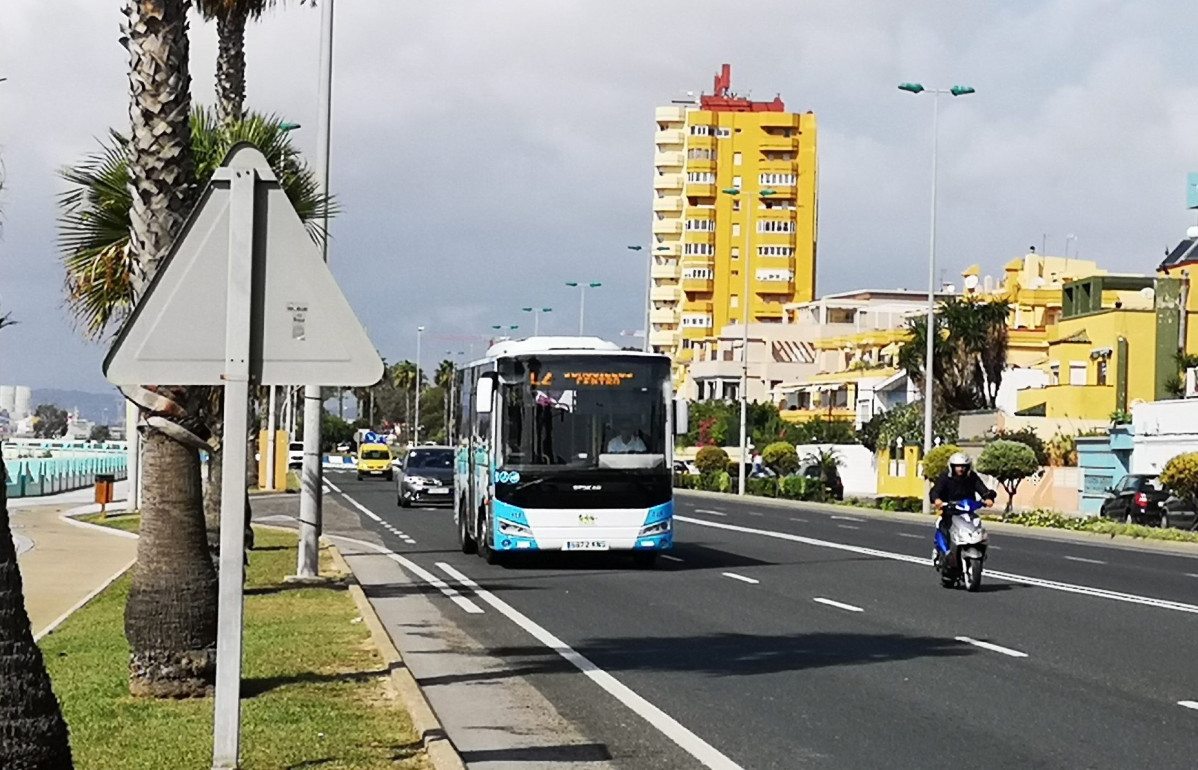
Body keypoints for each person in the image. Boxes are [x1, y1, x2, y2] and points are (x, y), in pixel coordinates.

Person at [929, 452, 996, 564]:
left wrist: (988, 497)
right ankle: (944, 553)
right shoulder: (945, 477)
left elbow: (982, 489)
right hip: (950, 512)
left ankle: (980, 550)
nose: (960, 469)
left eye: (963, 466)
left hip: (967, 512)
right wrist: (937, 499)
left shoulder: (972, 477)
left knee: (979, 529)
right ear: (952, 466)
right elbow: (936, 491)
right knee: (943, 528)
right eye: (958, 466)